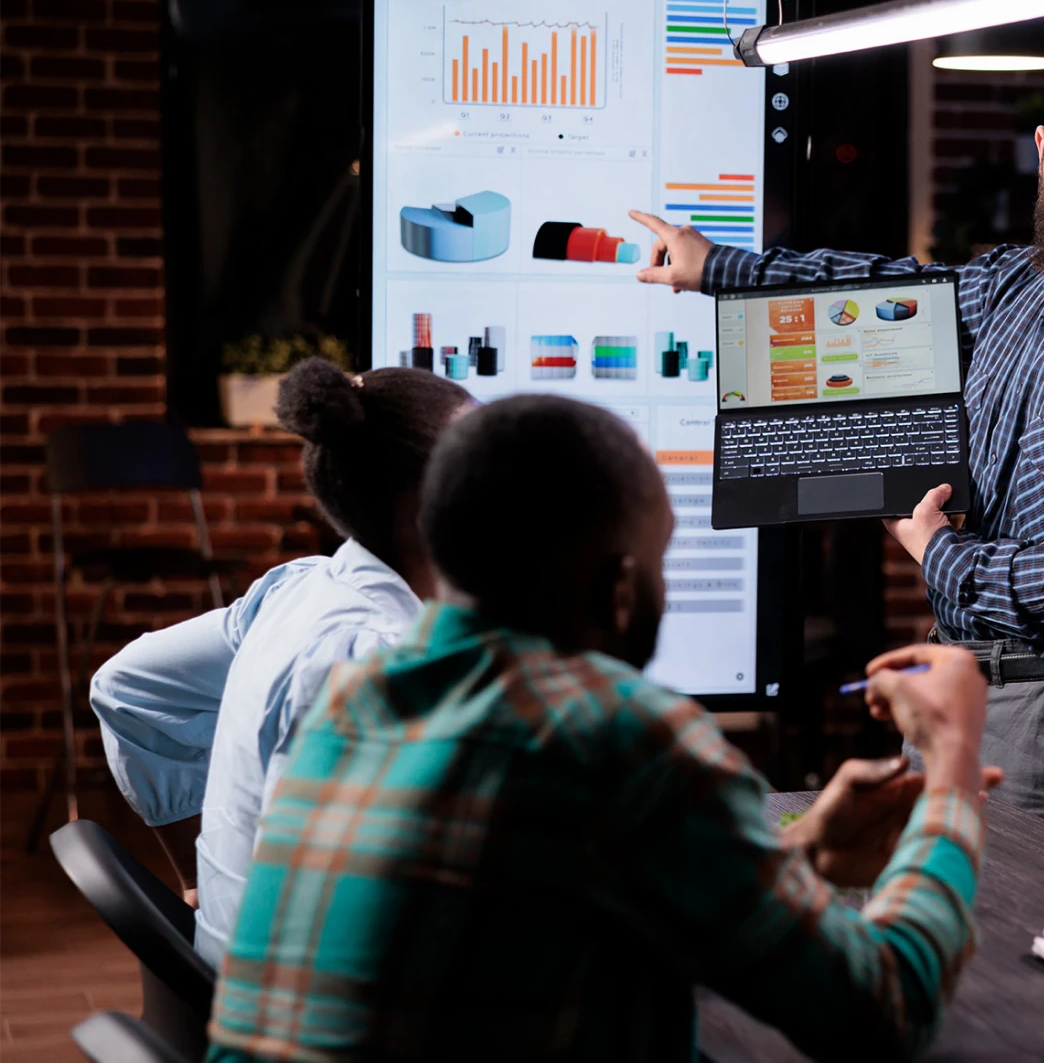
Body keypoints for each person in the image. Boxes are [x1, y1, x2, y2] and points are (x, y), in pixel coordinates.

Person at [204, 395, 997, 1063]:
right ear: (623, 588)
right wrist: (954, 761)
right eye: (660, 564)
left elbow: (544, 898)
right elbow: (884, 1011)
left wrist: (804, 852)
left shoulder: (352, 699)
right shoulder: (620, 736)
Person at [629, 53, 1044, 845]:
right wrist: (721, 269)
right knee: (938, 943)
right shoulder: (1016, 285)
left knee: (1014, 965)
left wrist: (940, 555)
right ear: (1042, 152)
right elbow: (888, 296)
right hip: (966, 690)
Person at [90, 359, 474, 964]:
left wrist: (199, 873)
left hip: (232, 965)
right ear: (426, 513)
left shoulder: (299, 590)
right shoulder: (376, 657)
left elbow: (127, 685)